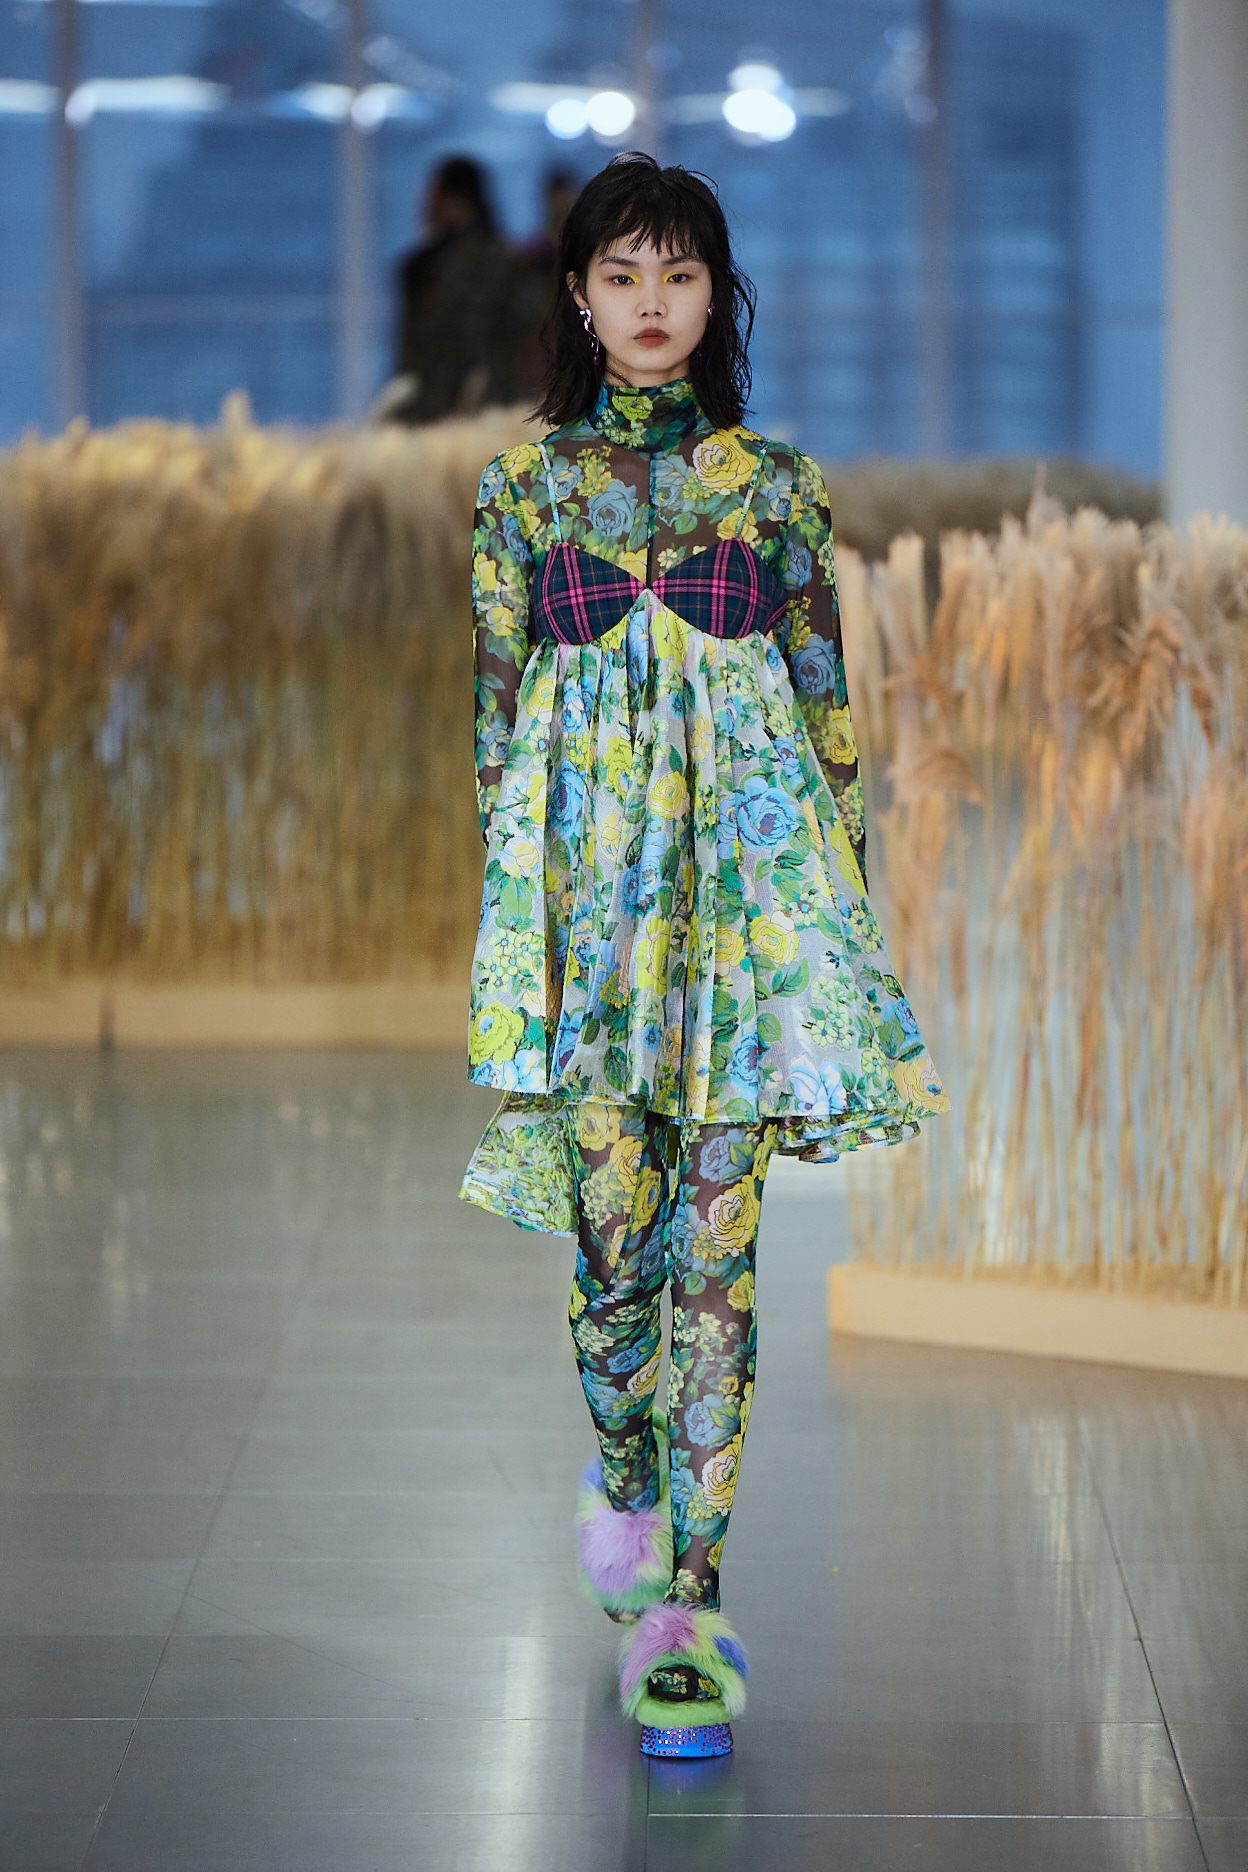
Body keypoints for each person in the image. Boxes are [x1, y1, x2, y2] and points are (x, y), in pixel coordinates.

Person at [459, 153, 947, 1760]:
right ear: (580, 298)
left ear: (715, 294)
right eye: (622, 275)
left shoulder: (776, 487)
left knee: (720, 1276)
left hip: (744, 944)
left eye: (678, 274)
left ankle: (690, 1611)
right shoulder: (524, 494)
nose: (651, 302)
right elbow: (495, 742)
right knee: (616, 1265)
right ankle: (625, 1490)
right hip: (597, 945)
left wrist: (838, 945)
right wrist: (520, 959)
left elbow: (825, 718)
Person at [389, 156, 518, 424]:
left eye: (435, 195)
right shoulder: (422, 265)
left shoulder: (494, 261)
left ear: (455, 198)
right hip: (433, 399)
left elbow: (489, 339)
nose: (428, 204)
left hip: (477, 397)